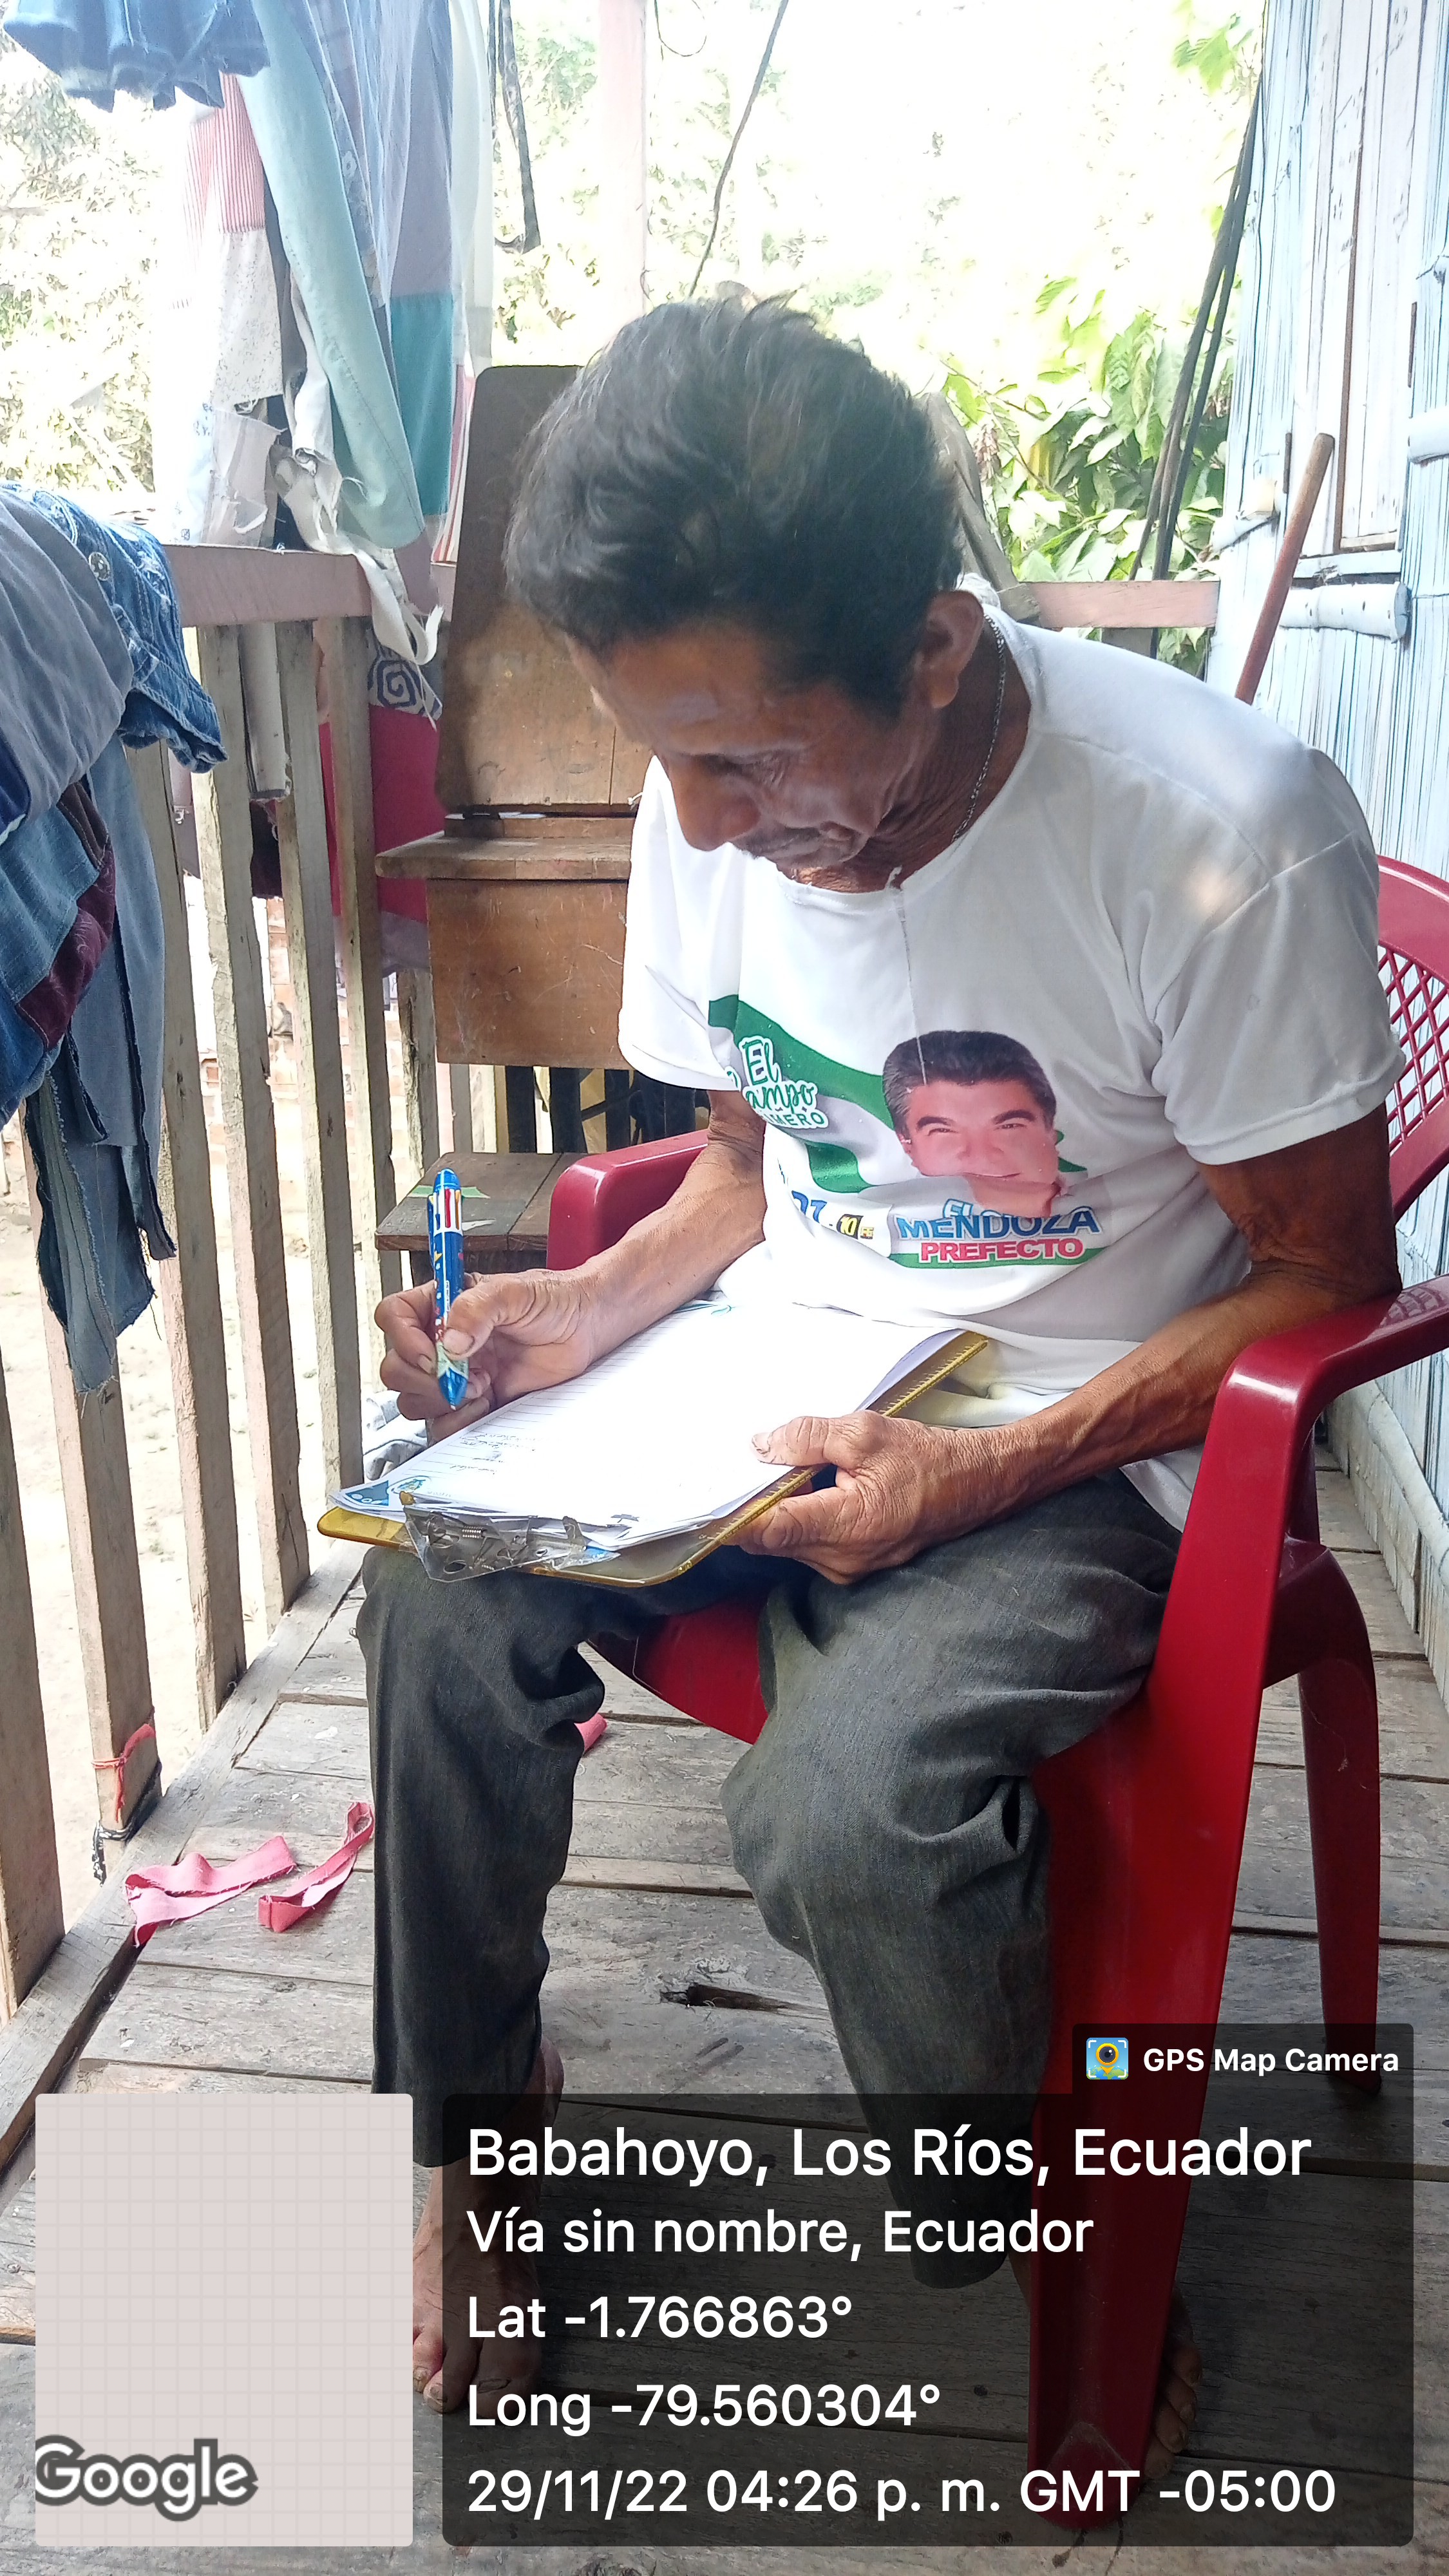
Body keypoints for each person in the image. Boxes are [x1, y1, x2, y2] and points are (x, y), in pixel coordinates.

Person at [361, 295, 1402, 2465]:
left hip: (1080, 1434)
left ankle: (1020, 2222)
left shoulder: (1214, 829)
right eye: (663, 754)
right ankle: (476, 2140)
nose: (699, 822)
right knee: (433, 1590)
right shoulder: (712, 799)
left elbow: (1322, 1271)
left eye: (751, 762)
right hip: (765, 1384)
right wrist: (591, 1310)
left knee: (846, 1808)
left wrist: (975, 1474)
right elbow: (749, 1163)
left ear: (934, 650)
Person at [883, 1027, 1065, 1217]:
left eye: (1009, 1126)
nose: (982, 1157)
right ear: (907, 1143)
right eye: (944, 1131)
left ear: (1050, 1129)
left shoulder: (1088, 1193)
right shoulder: (876, 1213)